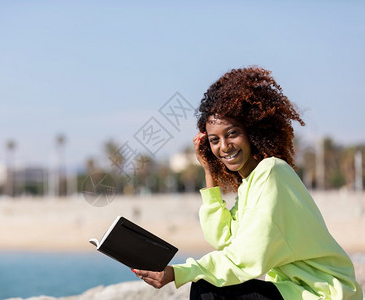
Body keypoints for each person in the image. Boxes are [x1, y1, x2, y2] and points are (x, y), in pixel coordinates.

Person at [133, 66, 363, 299]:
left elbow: (247, 257)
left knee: (207, 291)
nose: (224, 146)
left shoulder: (272, 172)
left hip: (324, 294)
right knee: (207, 288)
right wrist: (208, 171)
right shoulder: (250, 185)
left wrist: (179, 272)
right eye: (214, 140)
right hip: (295, 291)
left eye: (232, 133)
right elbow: (223, 238)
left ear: (252, 131)